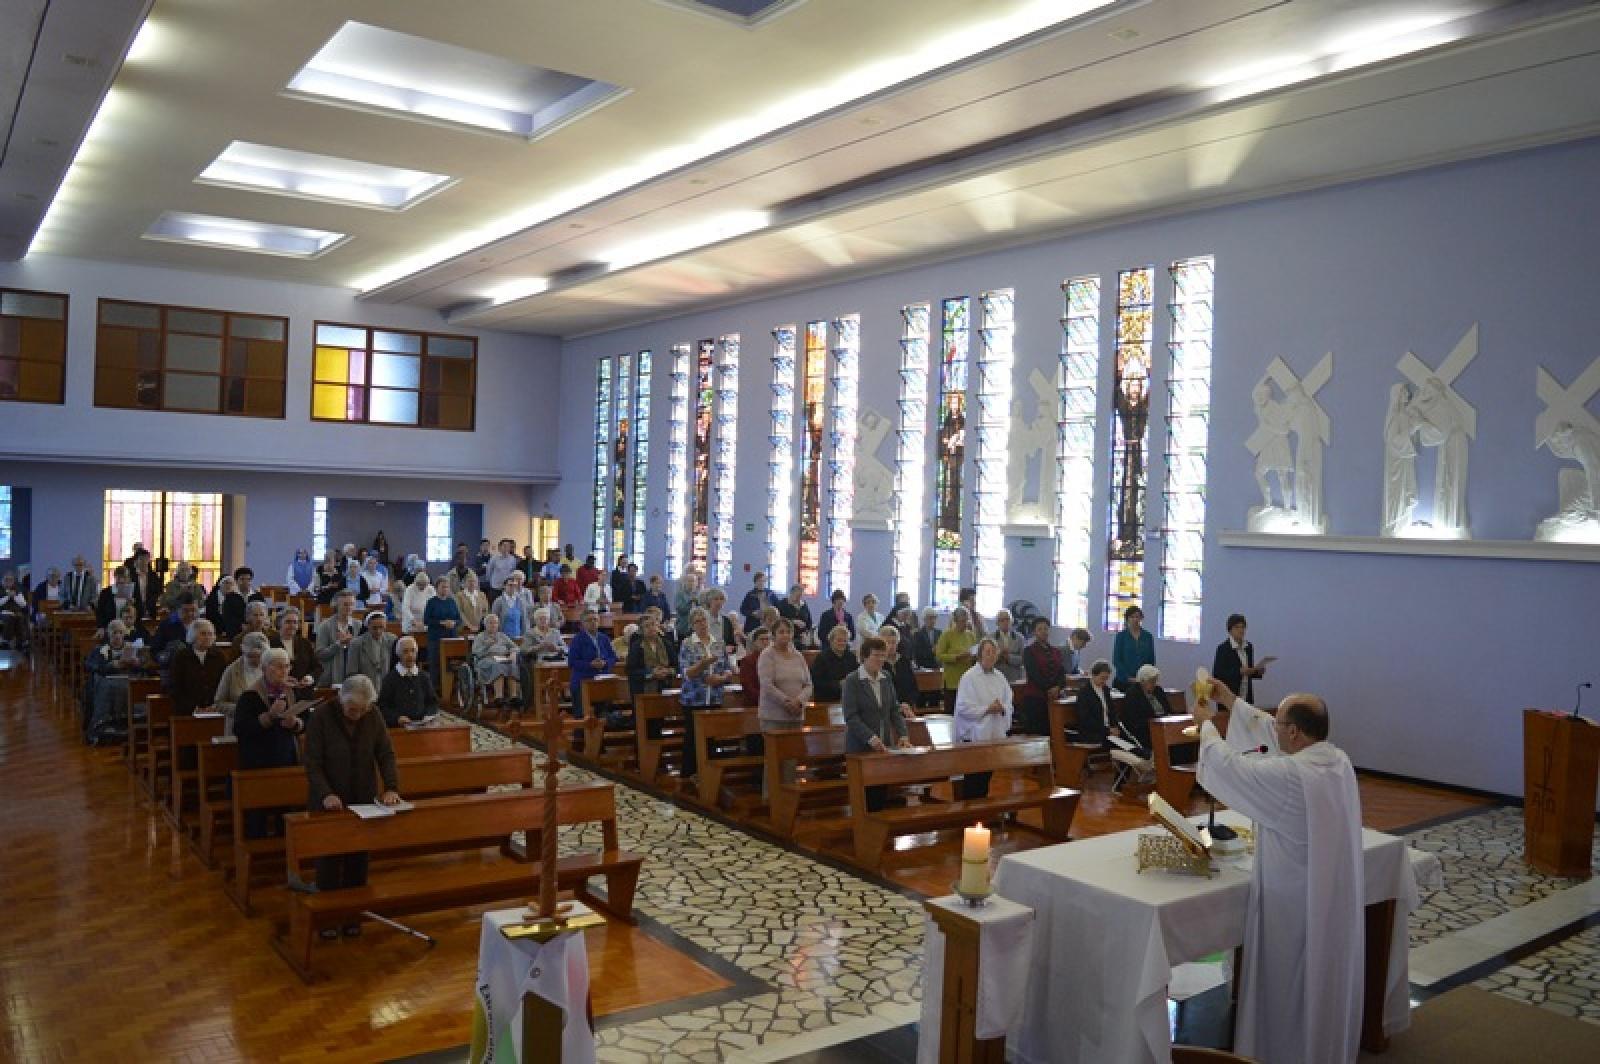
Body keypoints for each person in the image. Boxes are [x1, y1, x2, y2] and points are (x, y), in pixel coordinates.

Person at [1196, 680, 1363, 1064]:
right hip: (1328, 898)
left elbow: (1232, 769)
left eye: (1279, 722)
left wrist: (1208, 725)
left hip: (1293, 905)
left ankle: (1282, 1053)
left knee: (1287, 988)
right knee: (1318, 987)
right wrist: (1231, 702)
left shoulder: (1292, 776)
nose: (1270, 725)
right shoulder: (1337, 762)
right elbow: (1268, 728)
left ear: (1294, 733)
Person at [305, 674, 403, 911]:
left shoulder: (373, 715)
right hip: (328, 800)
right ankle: (328, 914)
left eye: (362, 710)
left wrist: (391, 787)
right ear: (340, 698)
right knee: (329, 858)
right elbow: (312, 762)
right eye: (352, 710)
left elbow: (385, 754)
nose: (357, 715)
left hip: (363, 798)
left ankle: (355, 913)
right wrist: (326, 793)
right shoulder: (321, 716)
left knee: (358, 859)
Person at [843, 636, 913, 810]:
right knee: (865, 798)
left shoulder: (886, 677)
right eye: (876, 655)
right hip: (861, 747)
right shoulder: (852, 681)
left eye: (883, 655)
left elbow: (894, 710)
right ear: (865, 656)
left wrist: (903, 734)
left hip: (883, 746)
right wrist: (870, 738)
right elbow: (851, 716)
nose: (881, 660)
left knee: (880, 795)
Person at [678, 607, 733, 779]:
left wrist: (722, 678)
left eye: (704, 620)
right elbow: (687, 673)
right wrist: (703, 664)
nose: (702, 624)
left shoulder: (718, 642)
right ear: (692, 625)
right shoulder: (688, 644)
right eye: (698, 621)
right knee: (693, 738)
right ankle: (689, 774)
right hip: (694, 697)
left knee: (711, 737)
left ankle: (709, 773)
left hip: (714, 696)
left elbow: (728, 669)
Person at [953, 638, 1012, 798]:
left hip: (993, 733)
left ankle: (981, 815)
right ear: (979, 655)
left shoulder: (1000, 677)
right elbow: (963, 707)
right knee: (974, 779)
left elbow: (1009, 701)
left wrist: (1002, 707)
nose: (991, 656)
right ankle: (970, 813)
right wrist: (987, 709)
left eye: (994, 653)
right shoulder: (969, 677)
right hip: (974, 736)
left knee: (986, 778)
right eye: (988, 652)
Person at [84, 620, 153, 744]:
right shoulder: (101, 650)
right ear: (109, 634)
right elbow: (92, 666)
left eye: (120, 632)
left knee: (138, 687)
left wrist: (137, 663)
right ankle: (105, 727)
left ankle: (133, 727)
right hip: (108, 683)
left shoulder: (131, 647)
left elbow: (145, 666)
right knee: (107, 688)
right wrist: (112, 665)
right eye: (114, 633)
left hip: (128, 681)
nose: (117, 636)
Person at [756, 617, 812, 730]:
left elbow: (808, 684)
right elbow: (767, 685)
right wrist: (787, 702)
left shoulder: (798, 656)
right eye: (781, 632)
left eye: (788, 632)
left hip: (796, 715)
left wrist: (799, 701)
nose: (785, 635)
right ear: (774, 635)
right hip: (774, 717)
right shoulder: (767, 655)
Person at [167, 619, 226, 716]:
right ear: (193, 636)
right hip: (187, 710)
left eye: (210, 634)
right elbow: (175, 687)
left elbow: (223, 684)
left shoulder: (219, 656)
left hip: (215, 709)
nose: (207, 637)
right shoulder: (181, 657)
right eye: (203, 634)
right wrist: (194, 708)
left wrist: (215, 705)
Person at [1019, 617, 1067, 735]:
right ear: (1035, 632)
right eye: (1040, 629)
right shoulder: (1029, 651)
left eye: (1046, 629)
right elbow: (1034, 674)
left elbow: (1061, 673)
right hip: (1035, 698)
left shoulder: (1056, 651)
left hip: (1054, 698)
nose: (1043, 631)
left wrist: (1058, 687)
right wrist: (1049, 689)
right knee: (1037, 735)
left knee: (1052, 733)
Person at [378, 636, 440, 725]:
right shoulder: (390, 679)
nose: (410, 655)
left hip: (422, 725)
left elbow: (432, 702)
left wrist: (428, 715)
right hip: (399, 727)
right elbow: (383, 707)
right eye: (405, 651)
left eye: (413, 651)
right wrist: (397, 718)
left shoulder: (424, 677)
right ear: (399, 654)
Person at [566, 609, 617, 713]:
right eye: (589, 620)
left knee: (603, 713)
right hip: (583, 680)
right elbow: (572, 662)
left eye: (595, 619)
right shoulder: (577, 639)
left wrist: (605, 663)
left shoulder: (604, 638)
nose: (593, 622)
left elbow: (613, 657)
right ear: (583, 624)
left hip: (602, 680)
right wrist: (590, 664)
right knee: (582, 715)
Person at [1212, 613, 1268, 704]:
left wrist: (1257, 672)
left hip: (1246, 696)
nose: (1241, 630)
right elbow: (1218, 674)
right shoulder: (1223, 648)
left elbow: (1248, 671)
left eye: (1243, 627)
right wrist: (1239, 672)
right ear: (1230, 630)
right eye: (1237, 627)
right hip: (1229, 696)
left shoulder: (1248, 647)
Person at [214, 631, 269, 721]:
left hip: (265, 725)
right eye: (251, 656)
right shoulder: (231, 670)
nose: (256, 660)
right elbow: (219, 703)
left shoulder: (270, 667)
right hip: (237, 724)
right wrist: (242, 708)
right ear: (243, 650)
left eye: (260, 656)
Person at [1117, 663, 1170, 754]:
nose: (1154, 684)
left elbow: (1169, 710)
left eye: (1155, 680)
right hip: (1144, 732)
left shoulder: (1158, 691)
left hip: (1163, 728)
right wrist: (1155, 723)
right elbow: (1133, 722)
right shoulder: (1133, 694)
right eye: (1151, 681)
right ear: (1142, 681)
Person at [934, 606, 978, 712]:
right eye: (962, 621)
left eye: (966, 620)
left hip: (967, 678)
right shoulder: (947, 635)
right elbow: (939, 655)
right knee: (951, 710)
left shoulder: (971, 635)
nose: (965, 623)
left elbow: (975, 651)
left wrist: (974, 656)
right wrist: (957, 657)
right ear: (955, 621)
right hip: (951, 680)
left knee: (965, 711)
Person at [472, 614, 521, 707]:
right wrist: (486, 645)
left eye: (496, 623)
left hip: (503, 658)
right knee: (497, 666)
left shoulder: (502, 636)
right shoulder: (480, 637)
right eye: (491, 623)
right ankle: (498, 697)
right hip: (486, 659)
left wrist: (513, 653)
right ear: (485, 624)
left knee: (512, 665)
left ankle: (514, 696)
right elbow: (476, 652)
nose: (494, 625)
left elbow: (515, 647)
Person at [626, 611, 677, 696]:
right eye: (647, 626)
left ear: (657, 626)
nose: (651, 628)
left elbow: (676, 666)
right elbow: (631, 671)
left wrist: (668, 671)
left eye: (653, 624)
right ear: (641, 630)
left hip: (666, 686)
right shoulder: (637, 646)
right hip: (643, 689)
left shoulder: (666, 643)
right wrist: (651, 673)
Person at [809, 624, 859, 704]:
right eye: (839, 640)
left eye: (845, 641)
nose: (842, 643)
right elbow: (816, 682)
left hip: (848, 699)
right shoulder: (822, 658)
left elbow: (857, 676)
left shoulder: (851, 657)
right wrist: (838, 684)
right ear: (831, 640)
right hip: (827, 700)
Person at [269, 607, 318, 686]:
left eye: (295, 622)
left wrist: (309, 678)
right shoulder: (270, 643)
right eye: (288, 622)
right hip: (278, 690)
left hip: (303, 690)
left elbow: (317, 667)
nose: (292, 625)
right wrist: (282, 680)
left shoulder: (305, 643)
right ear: (279, 623)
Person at [349, 612, 397, 689]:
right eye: (374, 628)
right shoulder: (356, 644)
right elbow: (352, 672)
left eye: (381, 627)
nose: (378, 631)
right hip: (364, 687)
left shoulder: (392, 640)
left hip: (386, 686)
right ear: (368, 626)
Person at [424, 572, 462, 668]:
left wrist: (454, 623)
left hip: (451, 637)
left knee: (451, 666)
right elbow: (426, 620)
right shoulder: (431, 602)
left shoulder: (452, 602)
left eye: (447, 587)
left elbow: (459, 619)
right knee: (436, 665)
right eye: (443, 587)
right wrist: (441, 623)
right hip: (436, 638)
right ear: (436, 588)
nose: (445, 589)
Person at [879, 625, 920, 713]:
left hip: (907, 708)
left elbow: (913, 687)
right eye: (887, 642)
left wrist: (909, 703)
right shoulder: (878, 663)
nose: (891, 646)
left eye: (893, 642)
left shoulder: (904, 661)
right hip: (885, 710)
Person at [1112, 605, 1155, 689]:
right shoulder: (1121, 636)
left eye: (1137, 617)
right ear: (1127, 618)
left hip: (1142, 680)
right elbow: (1117, 660)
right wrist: (1128, 677)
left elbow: (1151, 659)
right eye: (1132, 617)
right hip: (1124, 680)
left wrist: (1146, 676)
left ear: (1141, 618)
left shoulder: (1147, 636)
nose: (1135, 619)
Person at [1073, 660, 1116, 746]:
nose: (1104, 681)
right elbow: (1086, 719)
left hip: (1108, 730)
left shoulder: (1105, 690)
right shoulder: (1084, 692)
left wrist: (1115, 727)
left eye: (1106, 679)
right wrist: (1107, 730)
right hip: (1092, 733)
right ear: (1093, 675)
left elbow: (1111, 711)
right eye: (1102, 678)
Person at [151, 594, 199, 666]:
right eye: (185, 611)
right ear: (177, 610)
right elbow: (155, 651)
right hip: (171, 668)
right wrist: (167, 657)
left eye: (193, 610)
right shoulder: (166, 626)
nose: (190, 614)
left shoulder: (202, 625)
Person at [492, 571, 535, 639]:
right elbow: (494, 621)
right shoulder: (498, 601)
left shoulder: (521, 601)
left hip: (518, 636)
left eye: (514, 585)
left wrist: (524, 635)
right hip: (502, 637)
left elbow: (524, 619)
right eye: (510, 585)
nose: (512, 587)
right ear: (504, 586)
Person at [702, 588, 742, 654]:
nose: (719, 602)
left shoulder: (726, 620)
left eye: (721, 599)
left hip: (723, 657)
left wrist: (731, 648)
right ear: (709, 601)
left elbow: (731, 643)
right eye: (716, 599)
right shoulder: (702, 619)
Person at [991, 608, 1025, 683]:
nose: (1005, 622)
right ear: (997, 623)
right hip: (996, 677)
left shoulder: (1020, 638)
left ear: (1011, 621)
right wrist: (999, 655)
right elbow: (987, 659)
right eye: (1002, 620)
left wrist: (1009, 657)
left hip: (1014, 677)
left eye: (1007, 619)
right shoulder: (990, 638)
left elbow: (1023, 659)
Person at [129, 549, 163, 618]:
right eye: (141, 559)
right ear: (136, 561)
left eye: (146, 559)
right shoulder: (130, 576)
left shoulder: (154, 576)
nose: (144, 562)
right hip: (134, 610)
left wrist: (151, 603)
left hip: (151, 609)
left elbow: (159, 592)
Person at [399, 570, 434, 634]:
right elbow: (405, 608)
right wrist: (413, 621)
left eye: (425, 585)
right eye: (420, 585)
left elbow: (434, 606)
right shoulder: (409, 590)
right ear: (416, 583)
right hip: (410, 621)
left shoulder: (431, 589)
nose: (423, 587)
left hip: (425, 621)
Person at [454, 570, 489, 635]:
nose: (472, 583)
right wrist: (470, 626)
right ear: (464, 583)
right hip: (464, 628)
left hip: (480, 628)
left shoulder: (482, 594)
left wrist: (481, 625)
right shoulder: (459, 595)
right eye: (470, 581)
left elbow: (485, 611)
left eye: (474, 581)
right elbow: (460, 612)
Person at [673, 569, 704, 639]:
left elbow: (703, 610)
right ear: (685, 582)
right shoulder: (680, 594)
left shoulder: (699, 594)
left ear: (696, 583)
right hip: (683, 626)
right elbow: (680, 609)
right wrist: (690, 602)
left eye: (693, 581)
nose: (691, 583)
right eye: (689, 581)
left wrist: (698, 603)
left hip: (696, 628)